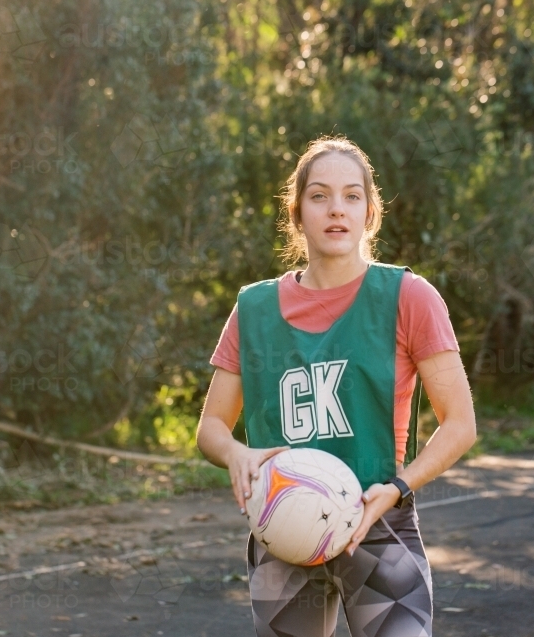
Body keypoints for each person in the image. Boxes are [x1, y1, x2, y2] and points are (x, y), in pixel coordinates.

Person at [195, 136, 477, 637]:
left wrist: (396, 489)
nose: (336, 210)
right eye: (319, 195)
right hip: (284, 525)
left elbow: (460, 425)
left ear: (370, 212)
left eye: (352, 196)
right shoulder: (254, 309)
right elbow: (212, 426)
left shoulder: (409, 297)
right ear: (297, 211)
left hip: (378, 519)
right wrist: (236, 454)